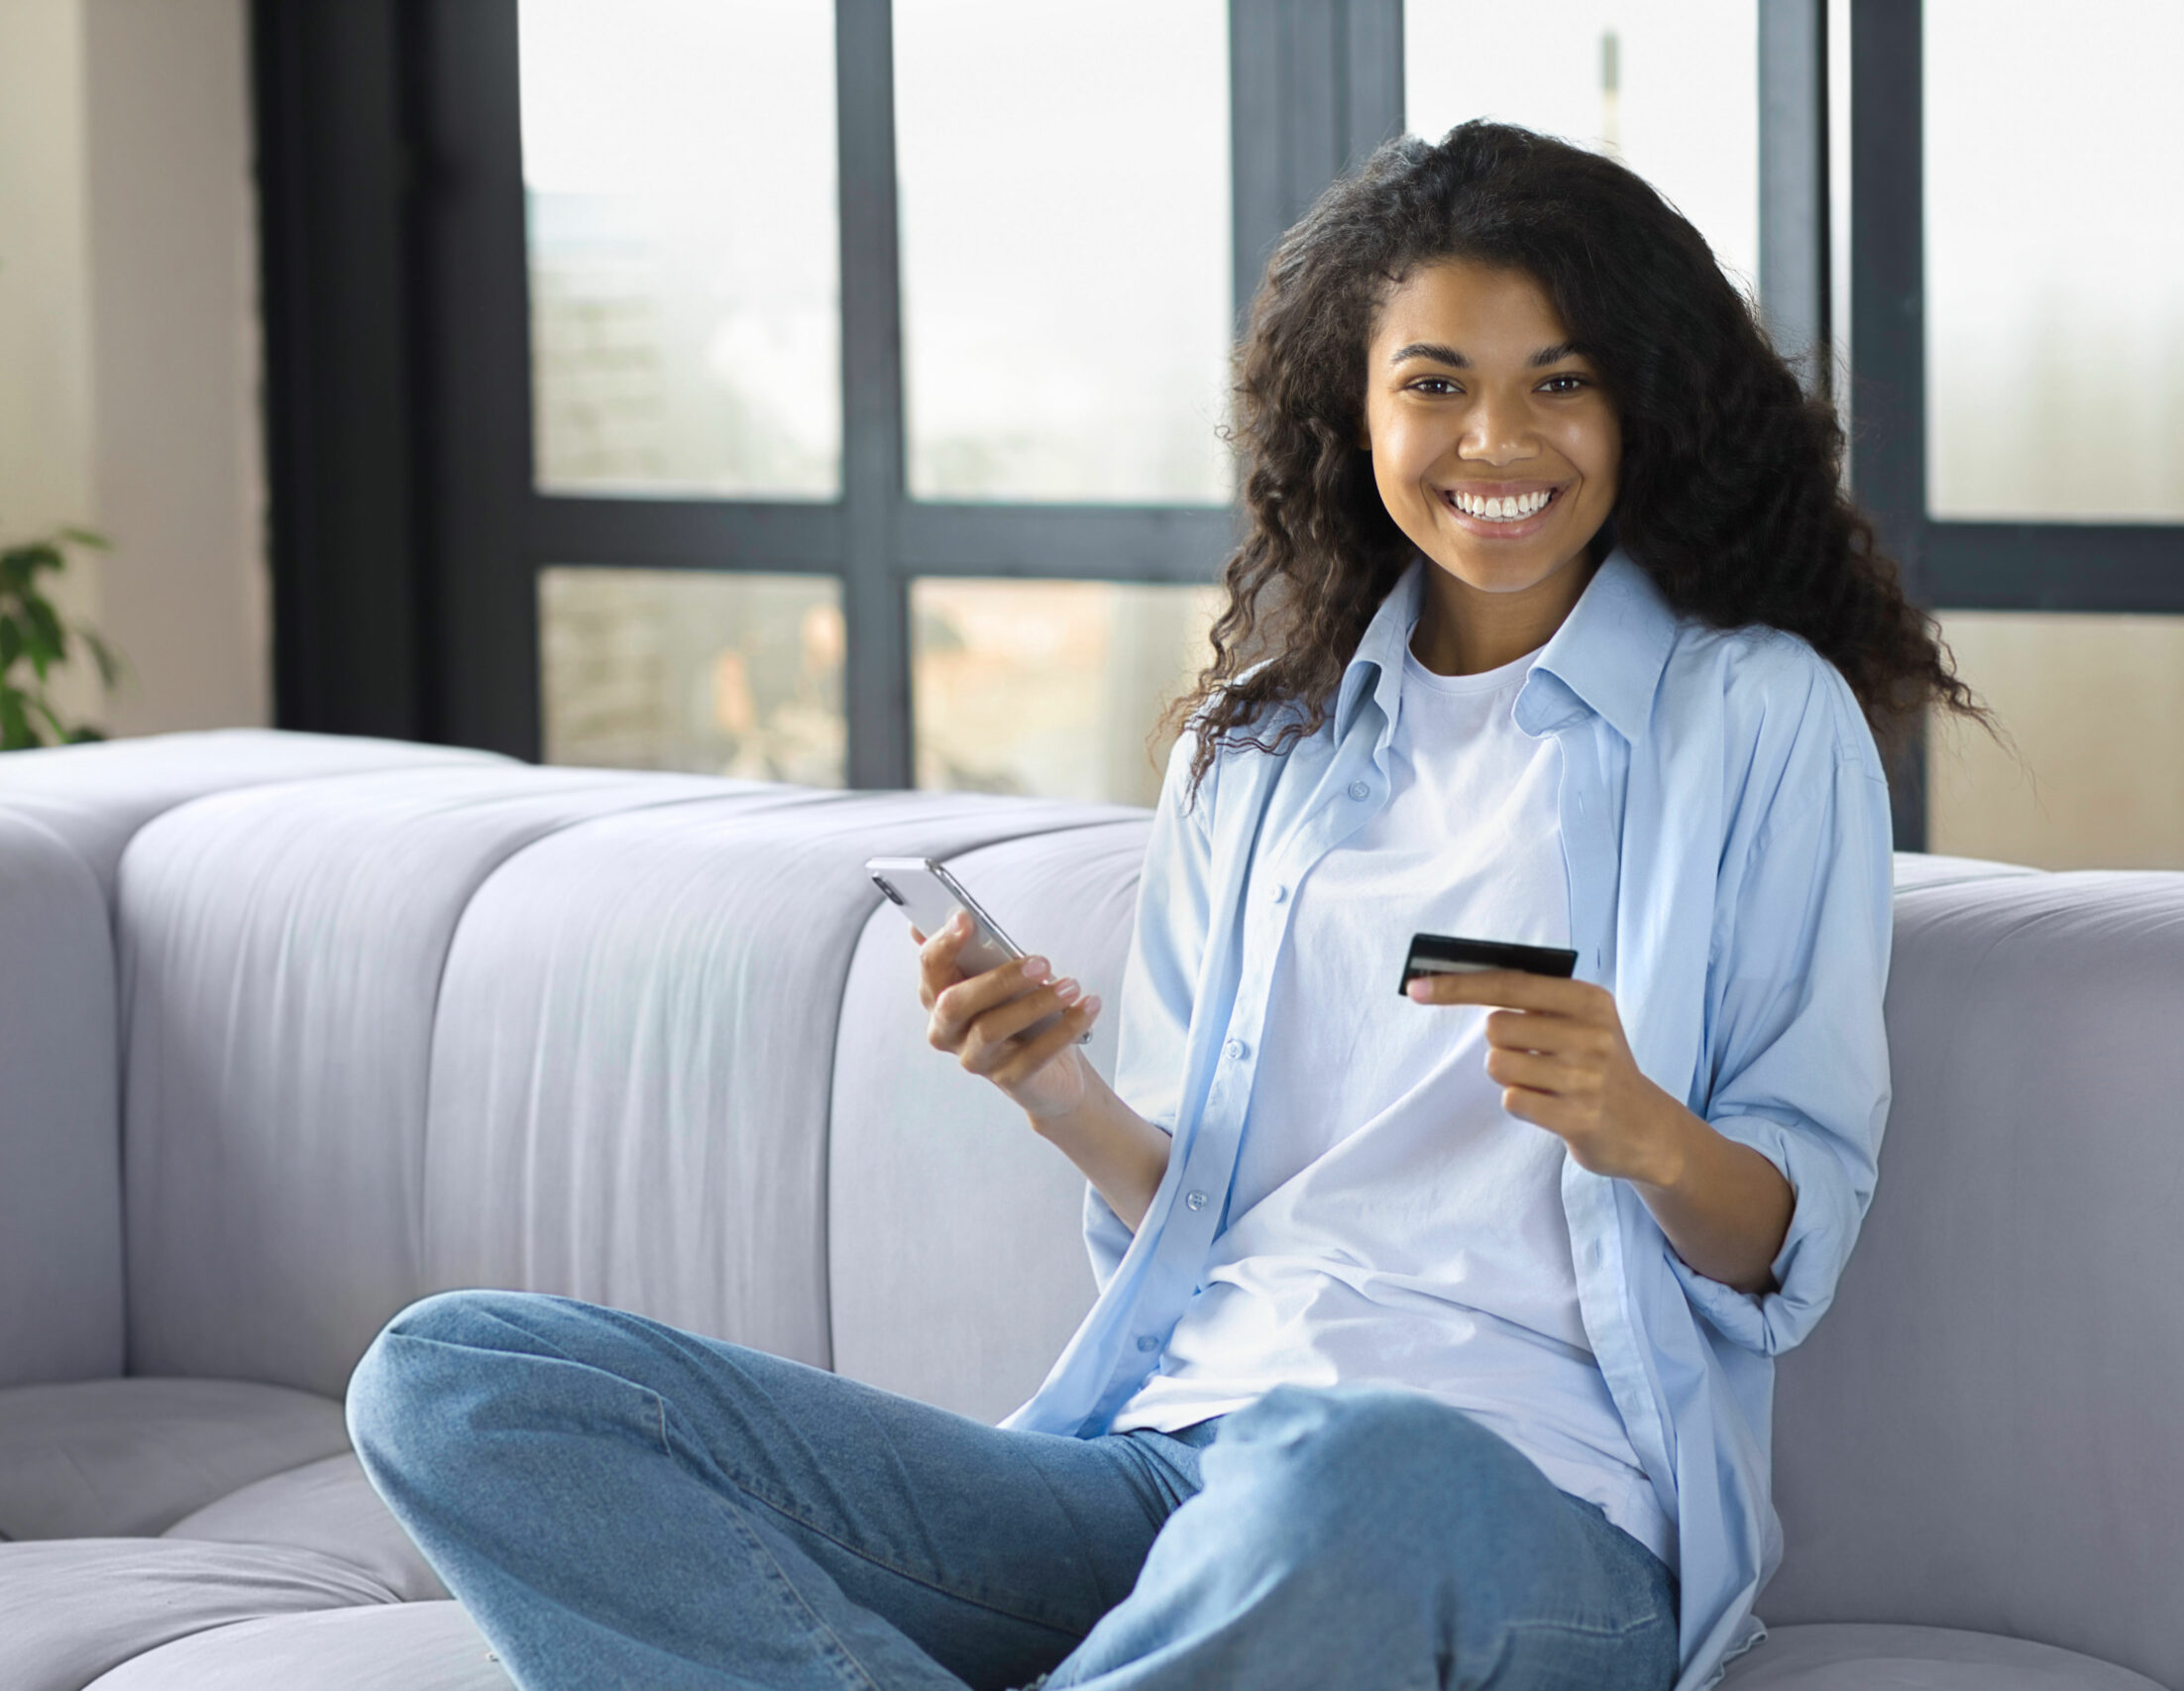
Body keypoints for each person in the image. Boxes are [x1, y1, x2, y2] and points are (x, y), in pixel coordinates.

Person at [348, 121, 1977, 1691]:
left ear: (1645, 406)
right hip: (1179, 1472)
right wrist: (1061, 1094)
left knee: (1355, 1467)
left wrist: (1638, 1124)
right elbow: (1217, 1207)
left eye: (1561, 381)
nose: (1499, 441)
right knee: (461, 1379)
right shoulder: (1258, 745)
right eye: (1436, 385)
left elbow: (1795, 1230)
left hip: (1522, 1512)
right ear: (1356, 414)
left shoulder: (1757, 722)